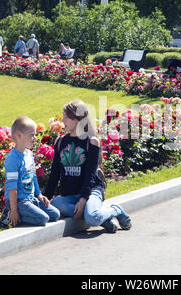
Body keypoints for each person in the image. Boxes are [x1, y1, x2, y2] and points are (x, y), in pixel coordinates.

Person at [44, 100, 132, 233]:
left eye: (66, 117)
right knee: (55, 204)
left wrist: (83, 199)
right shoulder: (60, 141)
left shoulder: (91, 142)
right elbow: (55, 173)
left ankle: (115, 210)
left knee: (92, 218)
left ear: (78, 119)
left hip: (91, 191)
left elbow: (90, 175)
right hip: (70, 194)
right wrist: (45, 198)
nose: (63, 120)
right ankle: (101, 219)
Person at [0, 116, 60, 228]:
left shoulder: (29, 154)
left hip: (31, 198)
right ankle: (9, 214)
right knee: (43, 219)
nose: (34, 138)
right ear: (19, 135)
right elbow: (12, 187)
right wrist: (14, 210)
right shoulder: (12, 158)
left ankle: (22, 213)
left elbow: (33, 176)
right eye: (31, 135)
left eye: (35, 135)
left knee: (55, 215)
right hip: (18, 201)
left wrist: (40, 195)